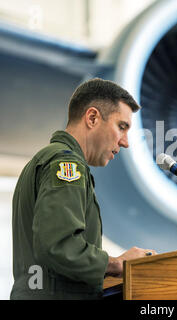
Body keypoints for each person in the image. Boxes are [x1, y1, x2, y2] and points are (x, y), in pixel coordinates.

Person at [10, 78, 156, 300]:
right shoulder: (65, 165)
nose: (125, 142)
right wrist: (118, 264)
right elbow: (59, 245)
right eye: (122, 126)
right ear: (92, 117)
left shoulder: (47, 161)